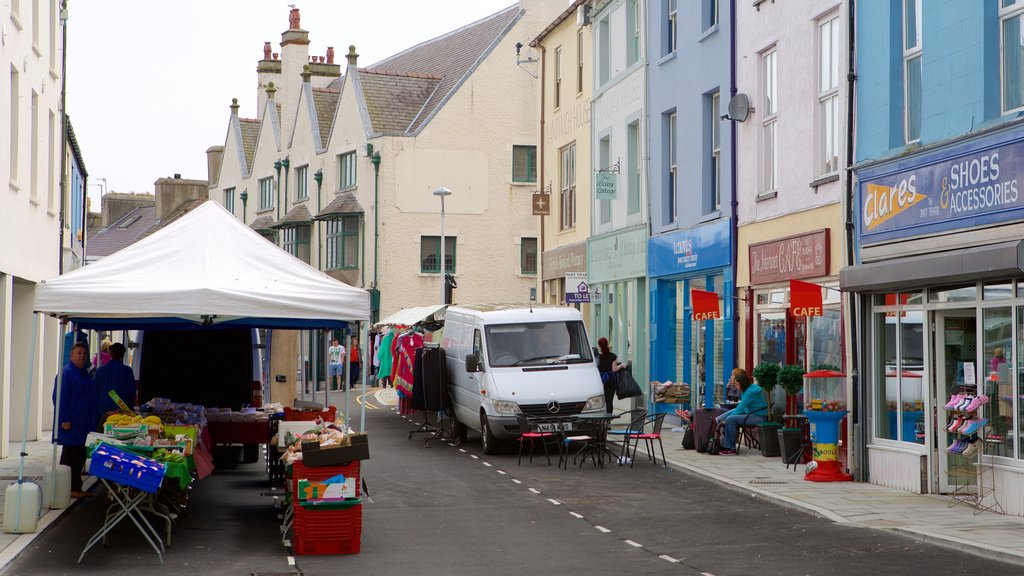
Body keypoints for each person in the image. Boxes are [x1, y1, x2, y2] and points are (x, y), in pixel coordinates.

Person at [53, 342, 97, 498]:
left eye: (84, 354)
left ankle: (76, 487)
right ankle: (69, 488)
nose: (82, 356)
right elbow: (60, 398)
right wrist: (64, 419)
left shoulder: (84, 373)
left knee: (79, 456)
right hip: (71, 424)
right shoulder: (66, 373)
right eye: (79, 353)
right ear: (71, 356)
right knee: (70, 456)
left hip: (83, 423)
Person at [715, 369, 767, 456]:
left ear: (741, 384)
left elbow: (740, 409)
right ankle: (717, 421)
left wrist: (725, 419)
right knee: (726, 412)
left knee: (731, 419)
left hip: (759, 416)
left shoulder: (750, 393)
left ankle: (731, 448)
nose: (736, 387)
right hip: (751, 413)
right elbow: (740, 407)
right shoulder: (747, 389)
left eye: (737, 385)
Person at [94, 343, 137, 419]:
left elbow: (94, 389)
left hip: (102, 410)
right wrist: (130, 408)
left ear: (110, 354)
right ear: (123, 355)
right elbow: (132, 392)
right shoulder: (127, 371)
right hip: (122, 410)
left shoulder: (100, 370)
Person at [596, 337, 624, 414]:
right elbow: (614, 369)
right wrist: (621, 365)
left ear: (599, 346)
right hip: (610, 381)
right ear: (607, 344)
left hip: (600, 380)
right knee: (609, 401)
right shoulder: (612, 356)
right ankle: (608, 419)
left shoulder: (597, 357)